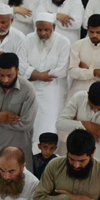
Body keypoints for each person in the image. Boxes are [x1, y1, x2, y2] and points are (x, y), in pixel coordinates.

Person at [18, 13, 71, 144]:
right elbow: (20, 63)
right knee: (31, 124)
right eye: (39, 30)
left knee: (49, 125)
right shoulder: (27, 40)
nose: (43, 33)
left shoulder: (63, 42)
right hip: (30, 90)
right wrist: (39, 75)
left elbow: (61, 69)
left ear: (54, 27)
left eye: (46, 30)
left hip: (52, 93)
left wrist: (32, 74)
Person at [56, 82, 100, 167]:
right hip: (76, 158)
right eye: (91, 106)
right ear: (87, 94)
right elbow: (60, 123)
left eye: (99, 109)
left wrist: (77, 128)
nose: (95, 110)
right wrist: (85, 125)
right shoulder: (79, 97)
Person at [67, 15, 100, 102]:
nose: (94, 35)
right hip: (77, 93)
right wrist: (96, 72)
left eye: (98, 32)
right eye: (91, 32)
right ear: (87, 29)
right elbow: (72, 72)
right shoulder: (78, 45)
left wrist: (85, 69)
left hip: (99, 95)